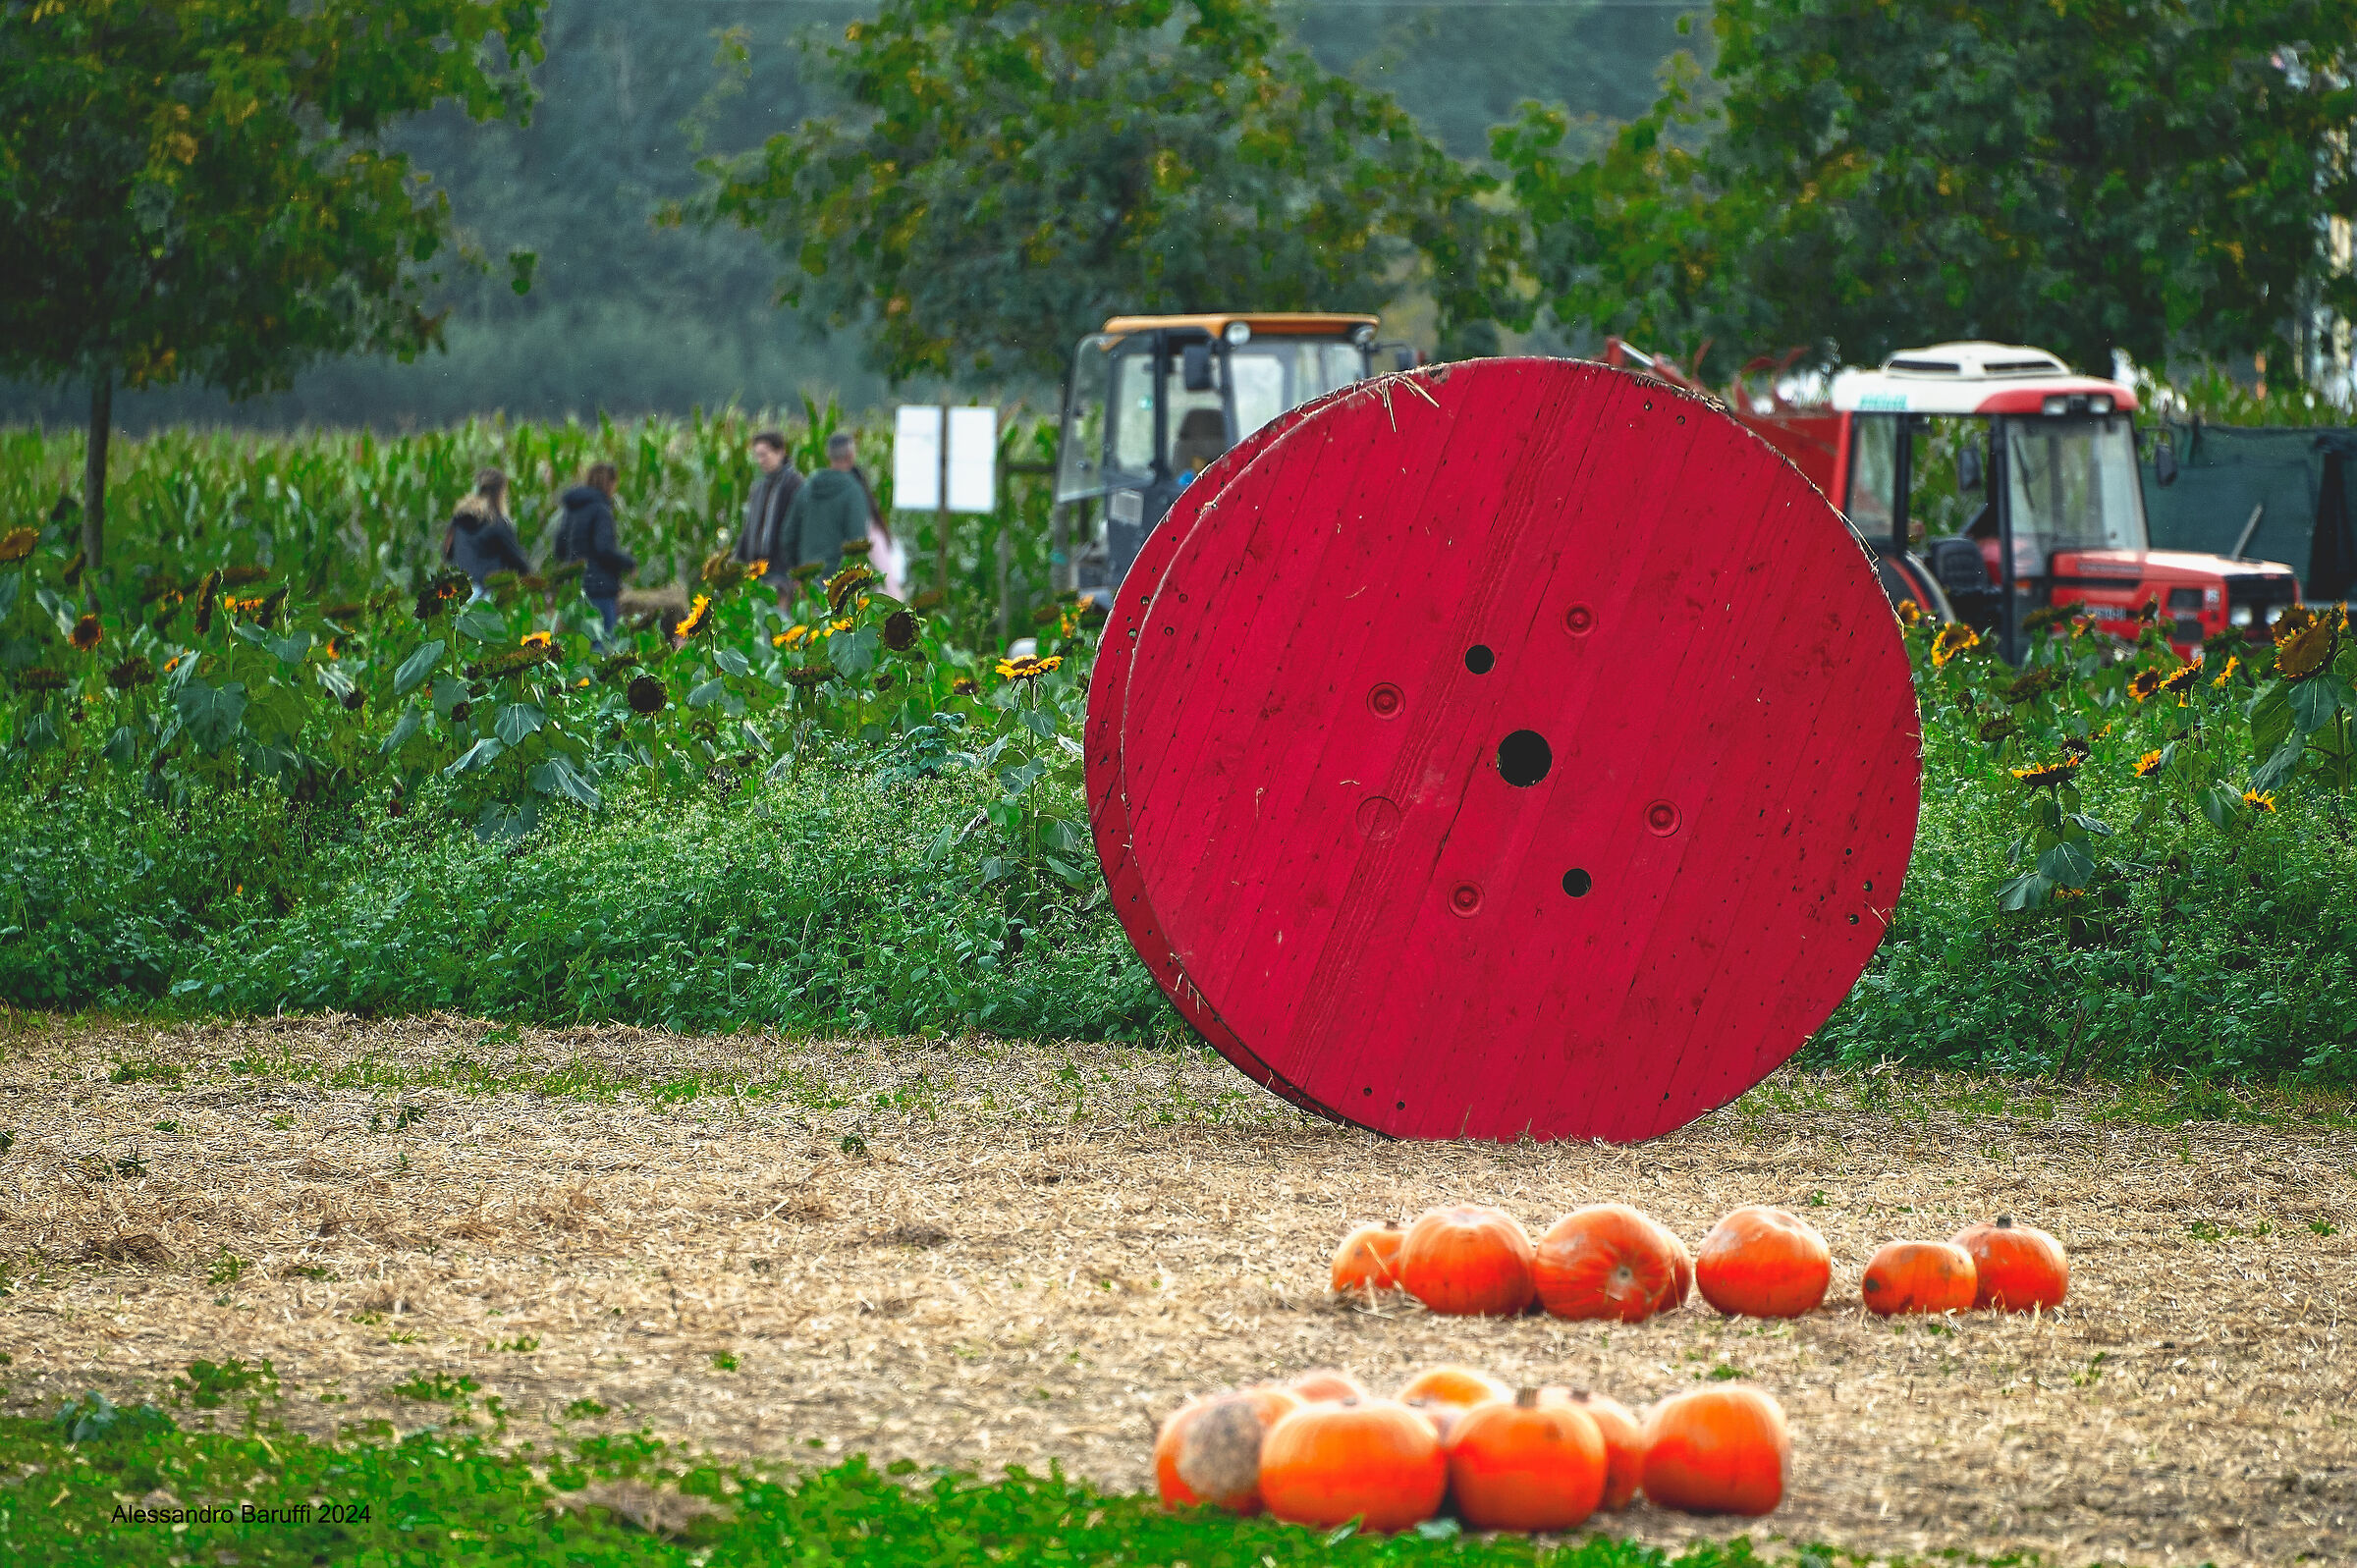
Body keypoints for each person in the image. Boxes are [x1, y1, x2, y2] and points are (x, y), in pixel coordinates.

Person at [555, 461, 634, 647]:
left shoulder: (571, 511)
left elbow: (559, 550)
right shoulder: (601, 510)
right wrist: (628, 563)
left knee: (580, 647)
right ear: (610, 483)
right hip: (600, 589)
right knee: (603, 645)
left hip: (575, 589)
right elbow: (603, 549)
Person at [780, 431, 872, 579]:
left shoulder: (807, 487)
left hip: (808, 582)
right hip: (839, 583)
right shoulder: (853, 491)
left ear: (828, 455)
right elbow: (858, 541)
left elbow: (788, 536)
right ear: (851, 455)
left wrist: (799, 570)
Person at [736, 429, 801, 604]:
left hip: (782, 572)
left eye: (764, 455)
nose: (760, 460)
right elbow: (749, 529)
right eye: (757, 455)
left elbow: (802, 531)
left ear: (780, 452)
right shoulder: (759, 488)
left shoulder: (795, 485)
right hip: (757, 571)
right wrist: (737, 562)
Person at [442, 468, 529, 596]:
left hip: (458, 593)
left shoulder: (458, 520)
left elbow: (446, 553)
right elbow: (518, 563)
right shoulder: (497, 524)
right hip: (485, 595)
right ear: (500, 493)